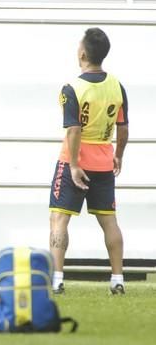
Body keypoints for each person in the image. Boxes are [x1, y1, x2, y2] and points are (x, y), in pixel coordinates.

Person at [49, 28, 128, 295]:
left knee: (59, 219)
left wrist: (72, 165)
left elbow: (73, 130)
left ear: (82, 53)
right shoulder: (117, 86)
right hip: (104, 162)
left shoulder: (72, 88)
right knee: (109, 221)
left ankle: (57, 279)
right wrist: (118, 154)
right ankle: (117, 280)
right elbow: (124, 128)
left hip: (75, 162)